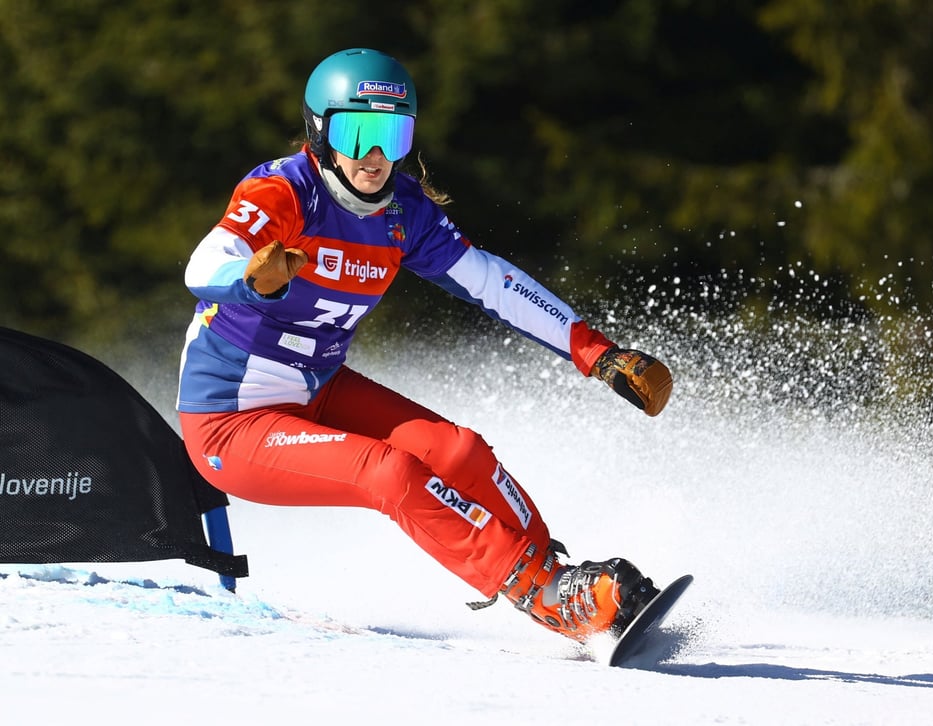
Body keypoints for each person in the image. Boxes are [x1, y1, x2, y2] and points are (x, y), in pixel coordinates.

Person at [176, 48, 673, 643]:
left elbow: (491, 282)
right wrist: (247, 280)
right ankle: (536, 590)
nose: (374, 156)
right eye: (357, 132)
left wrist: (598, 353)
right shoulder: (285, 191)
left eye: (392, 133)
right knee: (390, 474)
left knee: (458, 452)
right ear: (320, 131)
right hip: (232, 420)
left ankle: (561, 585)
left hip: (317, 389)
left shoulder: (403, 211)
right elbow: (205, 262)